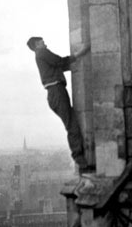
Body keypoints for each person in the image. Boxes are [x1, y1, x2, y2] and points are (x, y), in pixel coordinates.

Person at [27, 37, 92, 174]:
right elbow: (60, 61)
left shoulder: (41, 56)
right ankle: (80, 159)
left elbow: (60, 65)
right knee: (72, 125)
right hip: (56, 91)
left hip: (55, 92)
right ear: (36, 45)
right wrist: (80, 53)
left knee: (72, 123)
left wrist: (74, 60)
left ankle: (80, 158)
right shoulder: (42, 53)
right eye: (41, 42)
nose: (45, 43)